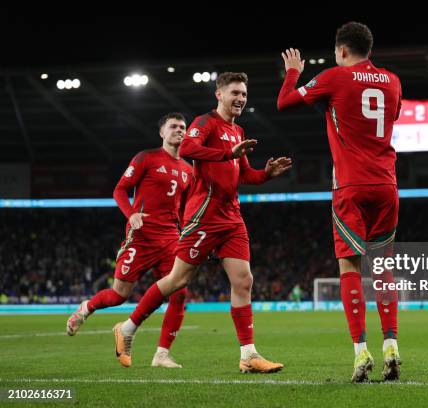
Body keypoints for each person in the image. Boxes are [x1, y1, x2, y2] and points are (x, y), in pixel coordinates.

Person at [113, 72, 292, 373]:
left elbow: (243, 174)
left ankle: (248, 355)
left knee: (243, 280)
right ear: (219, 95)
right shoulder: (204, 123)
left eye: (244, 94)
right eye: (235, 93)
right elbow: (188, 150)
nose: (240, 99)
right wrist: (227, 154)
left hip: (232, 217)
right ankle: (127, 328)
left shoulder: (238, 131)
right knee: (177, 280)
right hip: (204, 216)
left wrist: (266, 174)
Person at [277, 22, 403, 382]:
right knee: (383, 269)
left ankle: (360, 351)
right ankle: (391, 344)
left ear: (343, 50)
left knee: (350, 268)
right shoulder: (393, 81)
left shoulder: (335, 76)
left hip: (350, 186)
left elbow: (285, 102)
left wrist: (293, 73)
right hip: (386, 185)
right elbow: (387, 118)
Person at [67, 113, 193, 368]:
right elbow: (119, 190)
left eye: (182, 127)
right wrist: (132, 214)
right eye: (173, 127)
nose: (179, 130)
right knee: (118, 295)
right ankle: (86, 308)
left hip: (170, 238)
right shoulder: (146, 158)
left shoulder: (188, 170)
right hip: (142, 237)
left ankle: (161, 355)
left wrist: (186, 231)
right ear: (162, 132)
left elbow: (184, 207)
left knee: (179, 294)